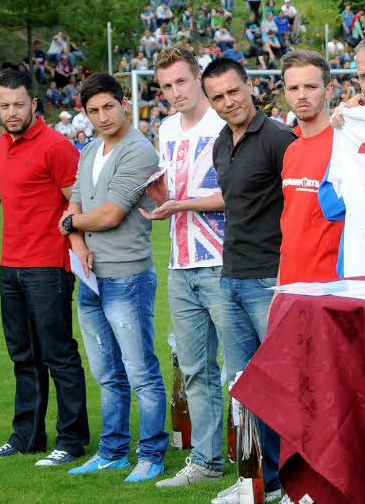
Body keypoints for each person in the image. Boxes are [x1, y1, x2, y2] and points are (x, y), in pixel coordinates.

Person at [0, 72, 89, 466]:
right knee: (22, 357)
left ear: (34, 103)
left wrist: (76, 254)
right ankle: (27, 437)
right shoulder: (2, 144)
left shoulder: (57, 147)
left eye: (18, 104)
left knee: (58, 355)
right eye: (4, 105)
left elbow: (78, 206)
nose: (11, 112)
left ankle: (72, 440)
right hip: (11, 265)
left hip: (48, 266)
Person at [59, 73, 167, 482]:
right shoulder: (89, 149)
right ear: (85, 114)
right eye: (93, 110)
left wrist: (69, 224)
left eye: (108, 106)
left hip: (127, 277)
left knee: (140, 371)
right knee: (106, 373)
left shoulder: (139, 151)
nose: (103, 116)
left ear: (124, 103)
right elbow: (75, 199)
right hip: (89, 275)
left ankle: (152, 454)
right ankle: (112, 451)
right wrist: (78, 242)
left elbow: (109, 214)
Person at [133, 48, 229, 489]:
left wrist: (180, 203)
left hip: (226, 262)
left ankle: (264, 463)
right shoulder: (166, 128)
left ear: (198, 79)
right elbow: (173, 193)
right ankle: (207, 462)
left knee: (245, 368)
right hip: (181, 262)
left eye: (181, 82)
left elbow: (238, 193)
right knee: (194, 370)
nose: (174, 92)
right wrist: (159, 196)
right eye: (167, 86)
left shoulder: (225, 123)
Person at [204, 58, 294, 502]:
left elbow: (302, 203)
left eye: (233, 91)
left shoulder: (279, 137)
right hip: (231, 276)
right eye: (217, 97)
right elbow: (233, 199)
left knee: (282, 383)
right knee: (245, 385)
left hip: (271, 278)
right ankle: (260, 480)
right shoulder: (222, 141)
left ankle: (298, 481)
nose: (228, 102)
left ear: (249, 88)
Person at [277, 49, 344, 283]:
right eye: (293, 88)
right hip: (290, 286)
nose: (301, 95)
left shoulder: (345, 145)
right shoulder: (290, 148)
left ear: (328, 89)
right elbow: (291, 228)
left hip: (332, 287)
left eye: (311, 87)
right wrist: (279, 288)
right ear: (285, 92)